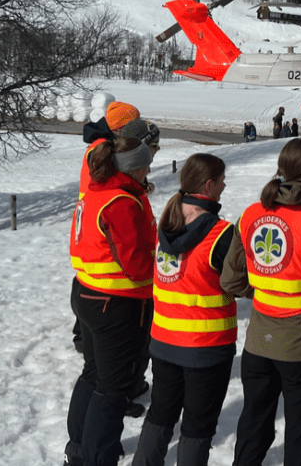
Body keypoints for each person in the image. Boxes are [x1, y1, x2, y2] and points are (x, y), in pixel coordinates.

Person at [222, 138, 301, 466]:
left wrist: (267, 290)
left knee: (253, 423)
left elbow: (231, 281)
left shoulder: (251, 214)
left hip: (257, 346)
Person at [133, 154, 235, 466]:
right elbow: (237, 283)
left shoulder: (167, 222)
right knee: (198, 425)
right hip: (206, 347)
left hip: (164, 341)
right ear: (209, 185)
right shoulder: (222, 233)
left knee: (161, 414)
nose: (224, 184)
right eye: (221, 180)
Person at [66, 136, 157, 466]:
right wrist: (167, 273)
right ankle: (98, 457)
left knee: (93, 375)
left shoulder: (96, 190)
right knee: (114, 387)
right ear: (134, 167)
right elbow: (135, 265)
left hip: (87, 292)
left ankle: (79, 449)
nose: (150, 168)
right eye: (146, 163)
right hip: (116, 303)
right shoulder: (121, 202)